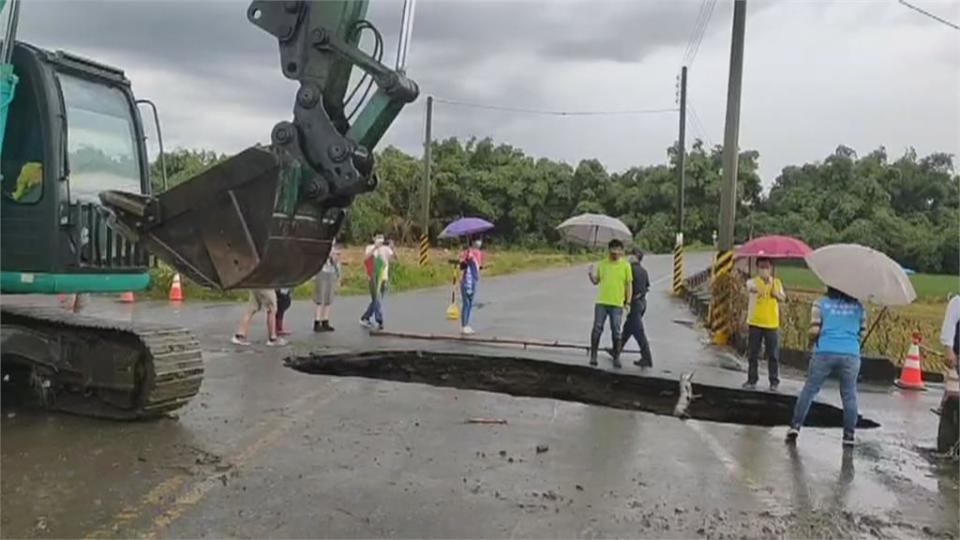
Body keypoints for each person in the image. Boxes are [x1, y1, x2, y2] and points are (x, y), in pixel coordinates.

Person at [786, 287, 866, 447]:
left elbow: (814, 330)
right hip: (850, 353)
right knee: (849, 394)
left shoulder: (820, 304)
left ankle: (795, 427)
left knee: (809, 390)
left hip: (824, 351)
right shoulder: (859, 307)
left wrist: (812, 341)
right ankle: (849, 435)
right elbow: (861, 332)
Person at [588, 239, 632, 368]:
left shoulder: (626, 266)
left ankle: (616, 357)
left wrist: (627, 302)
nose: (615, 253)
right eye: (613, 250)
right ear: (609, 250)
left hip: (617, 303)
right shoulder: (602, 264)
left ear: (621, 251)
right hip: (602, 302)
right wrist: (591, 274)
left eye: (618, 250)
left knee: (616, 331)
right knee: (597, 328)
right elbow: (596, 281)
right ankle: (593, 355)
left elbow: (628, 285)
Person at [743, 258, 786, 391]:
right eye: (761, 267)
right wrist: (764, 284)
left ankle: (774, 381)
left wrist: (776, 294)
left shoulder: (777, 283)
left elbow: (783, 298)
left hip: (771, 323)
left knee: (773, 354)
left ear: (771, 268)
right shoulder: (753, 282)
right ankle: (752, 379)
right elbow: (752, 288)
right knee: (753, 353)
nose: (764, 270)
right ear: (757, 268)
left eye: (766, 267)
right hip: (755, 322)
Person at [618, 247, 653, 367]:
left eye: (631, 255)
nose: (629, 257)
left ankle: (647, 358)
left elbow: (625, 286)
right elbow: (647, 287)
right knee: (628, 329)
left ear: (635, 257)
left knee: (639, 332)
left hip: (634, 304)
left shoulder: (630, 269)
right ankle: (616, 350)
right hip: (642, 303)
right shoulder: (644, 271)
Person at [359, 234, 396, 330]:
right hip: (373, 277)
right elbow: (365, 259)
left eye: (381, 237)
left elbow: (393, 259)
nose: (380, 239)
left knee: (376, 300)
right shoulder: (369, 248)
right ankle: (380, 320)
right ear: (374, 238)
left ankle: (365, 317)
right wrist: (375, 248)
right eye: (378, 237)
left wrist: (392, 248)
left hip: (384, 277)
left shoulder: (386, 249)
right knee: (377, 299)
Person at [313, 241, 342, 332]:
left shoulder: (335, 248)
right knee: (320, 297)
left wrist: (339, 275)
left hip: (332, 272)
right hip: (322, 272)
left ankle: (325, 320)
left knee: (328, 298)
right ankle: (317, 321)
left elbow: (337, 261)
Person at [458, 236, 484, 335]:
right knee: (466, 303)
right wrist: (466, 259)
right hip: (466, 280)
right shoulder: (466, 252)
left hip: (473, 281)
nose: (479, 242)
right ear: (472, 242)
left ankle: (467, 324)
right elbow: (461, 266)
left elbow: (478, 266)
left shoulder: (479, 253)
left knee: (470, 303)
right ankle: (464, 325)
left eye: (480, 240)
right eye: (477, 240)